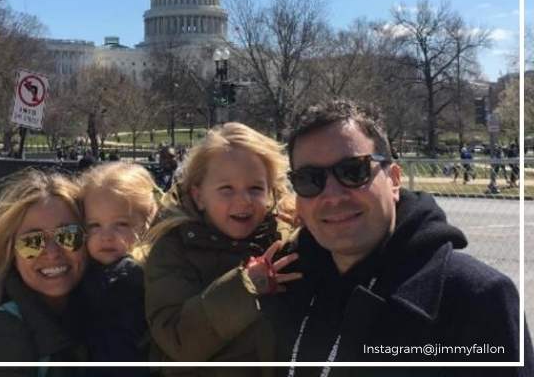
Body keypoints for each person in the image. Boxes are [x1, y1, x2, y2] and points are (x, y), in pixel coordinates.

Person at [273, 99, 532, 376]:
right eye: (310, 179)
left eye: (353, 171)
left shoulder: (474, 298)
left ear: (394, 179)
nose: (333, 196)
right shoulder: (285, 283)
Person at [143, 122, 301, 376]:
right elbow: (176, 338)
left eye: (255, 188)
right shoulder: (174, 247)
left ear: (270, 193)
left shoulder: (282, 239)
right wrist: (244, 287)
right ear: (199, 196)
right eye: (226, 189)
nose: (243, 200)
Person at [0, 169, 88, 376]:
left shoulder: (104, 318)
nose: (52, 252)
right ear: (10, 253)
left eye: (68, 235)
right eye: (32, 242)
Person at [77, 162, 159, 369]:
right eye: (94, 225)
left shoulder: (132, 281)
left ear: (148, 223)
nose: (106, 236)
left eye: (121, 224)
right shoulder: (84, 273)